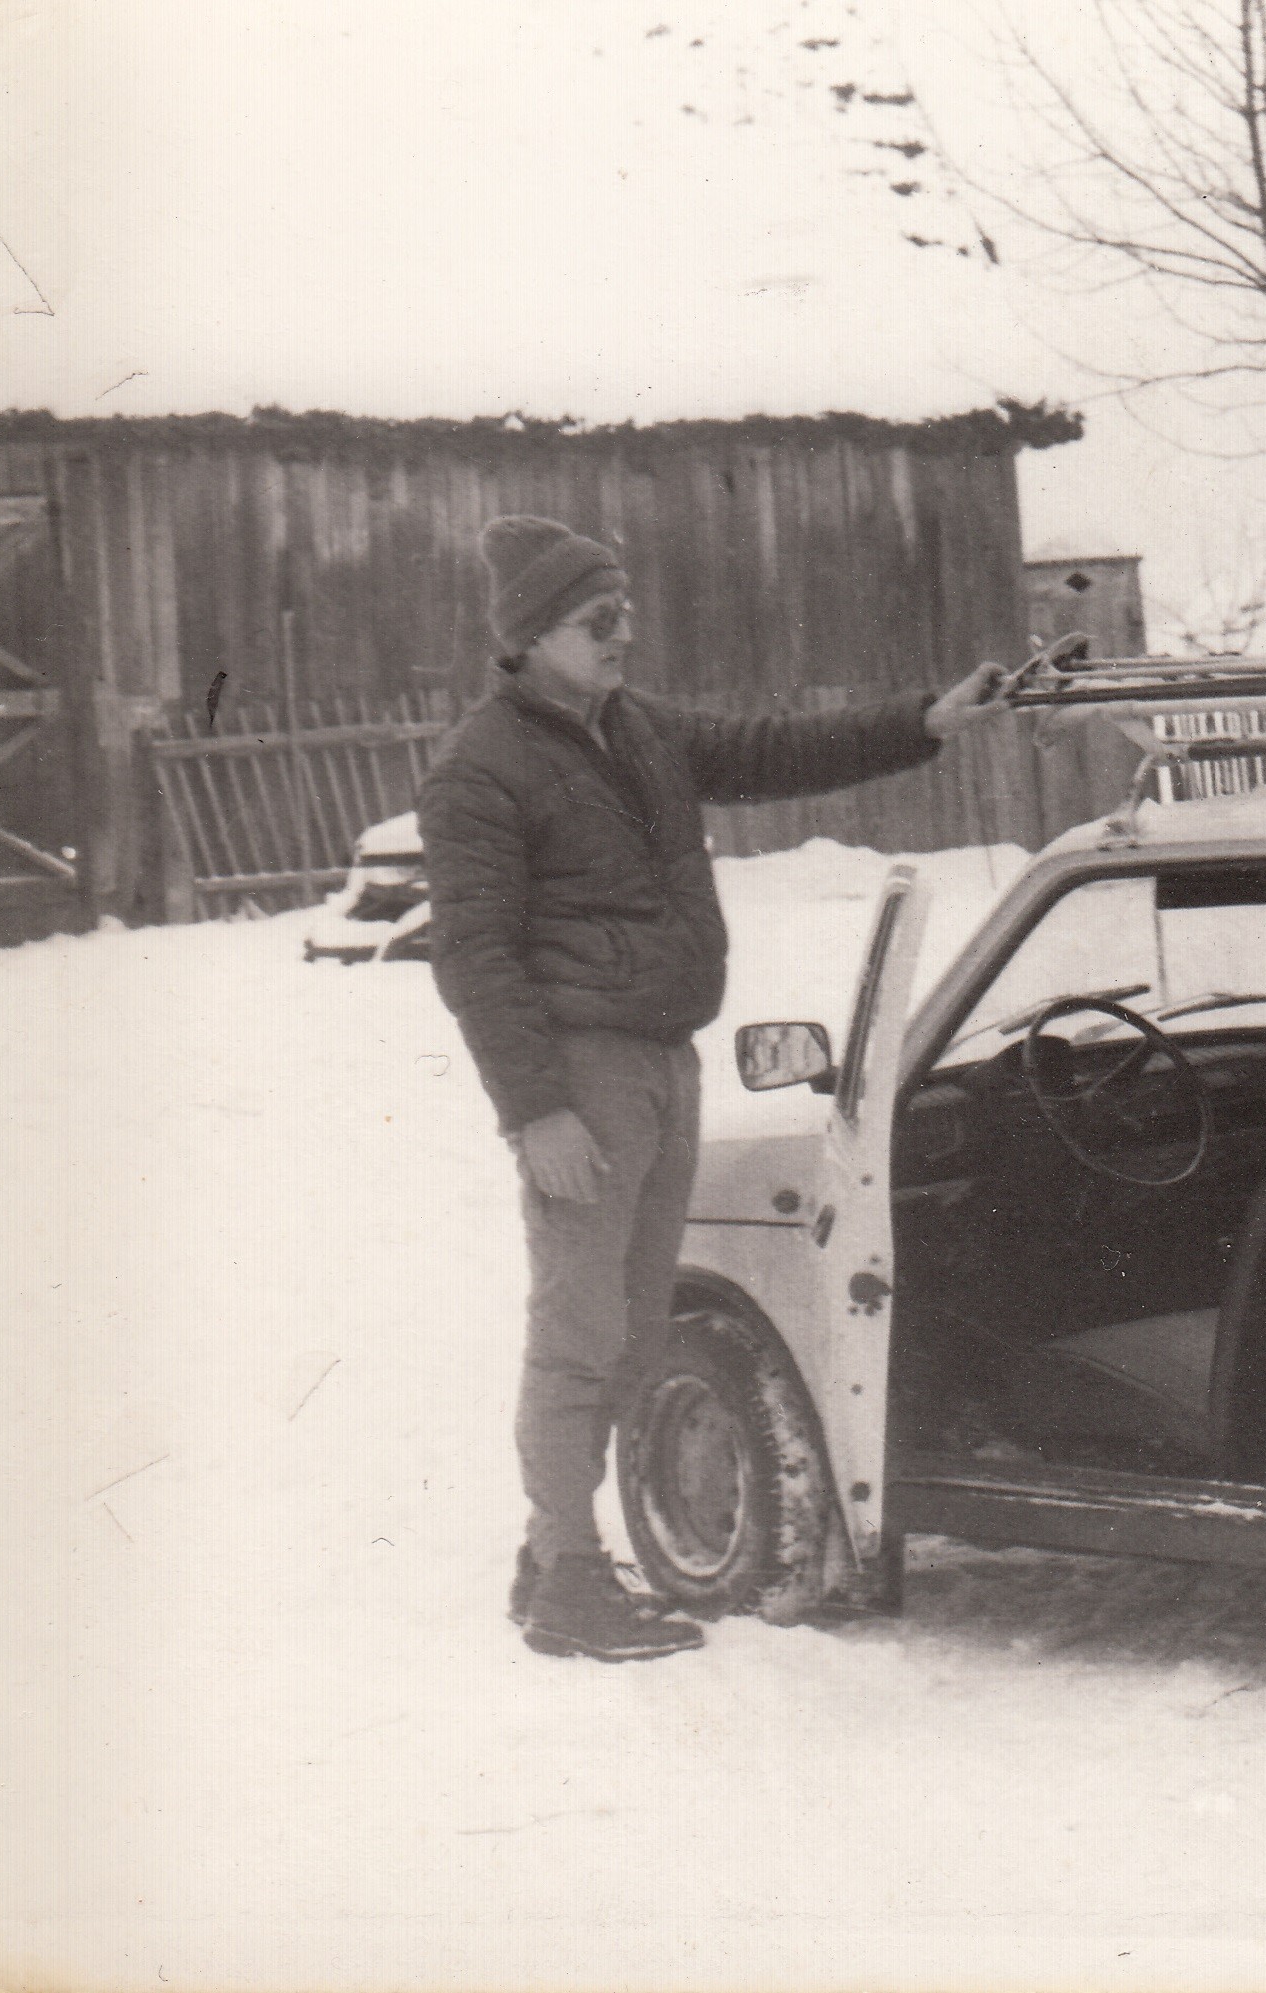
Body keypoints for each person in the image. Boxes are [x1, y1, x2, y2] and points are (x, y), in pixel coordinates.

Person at [420, 515, 1013, 1662]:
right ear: (533, 633)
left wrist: (923, 721)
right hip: (581, 1074)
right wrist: (534, 1109)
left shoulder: (636, 728)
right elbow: (474, 957)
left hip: (662, 1059)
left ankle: (557, 1556)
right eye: (600, 619)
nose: (624, 633)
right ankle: (569, 1579)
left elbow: (772, 749)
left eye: (624, 611)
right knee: (581, 1329)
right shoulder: (480, 769)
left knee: (641, 1329)